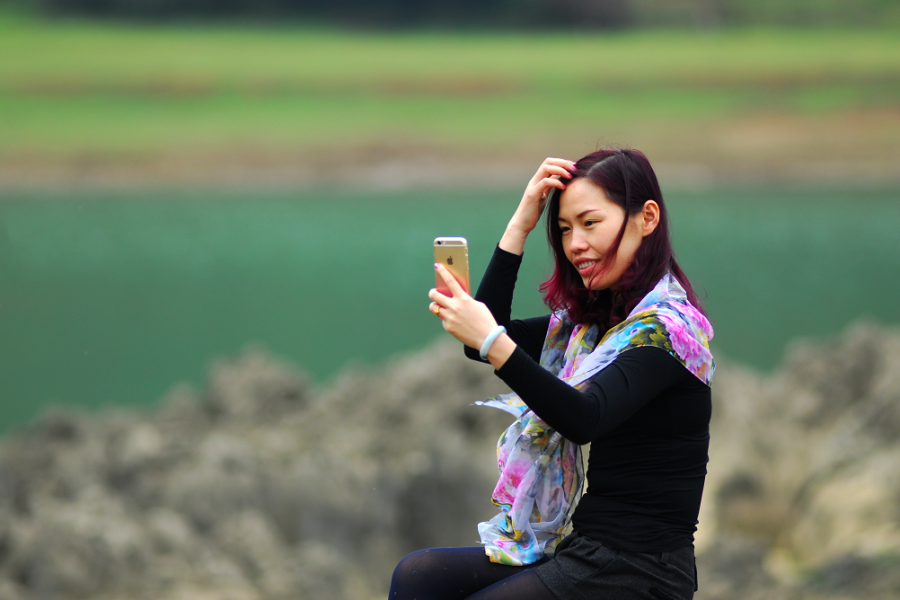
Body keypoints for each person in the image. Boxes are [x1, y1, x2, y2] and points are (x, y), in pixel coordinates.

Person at [389, 149, 714, 600]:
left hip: (641, 569)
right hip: (585, 549)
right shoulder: (594, 328)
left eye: (590, 223)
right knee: (417, 576)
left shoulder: (669, 333)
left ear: (647, 217)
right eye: (563, 230)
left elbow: (585, 417)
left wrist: (491, 341)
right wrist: (520, 224)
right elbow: (482, 342)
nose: (575, 243)